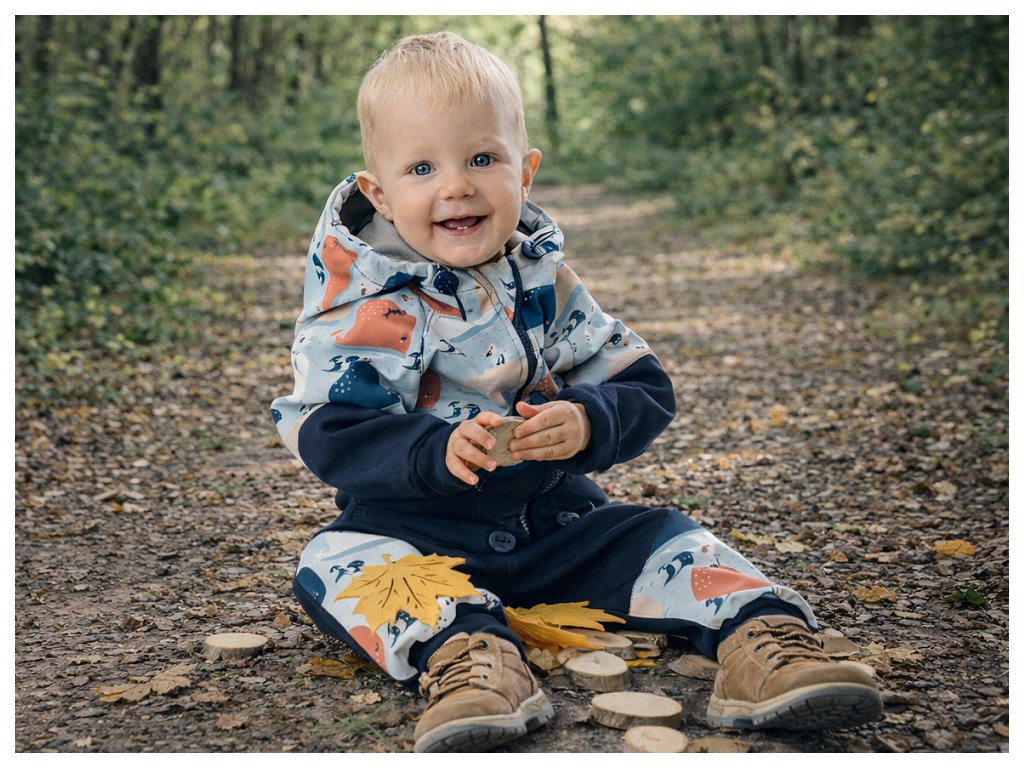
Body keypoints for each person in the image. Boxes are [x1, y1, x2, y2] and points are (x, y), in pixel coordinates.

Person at [270, 31, 882, 753]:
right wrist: (432, 451)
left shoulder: (546, 283)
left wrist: (589, 420)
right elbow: (327, 426)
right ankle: (468, 657)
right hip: (417, 536)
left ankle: (763, 640)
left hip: (556, 525)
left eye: (482, 159)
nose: (456, 186)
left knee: (666, 535)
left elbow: (641, 380)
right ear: (380, 192)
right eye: (423, 167)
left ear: (524, 172)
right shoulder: (360, 306)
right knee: (335, 564)